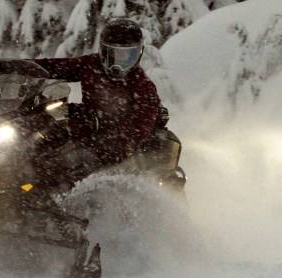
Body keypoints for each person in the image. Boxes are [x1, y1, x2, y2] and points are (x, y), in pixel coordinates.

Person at [33, 17, 181, 189]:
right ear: (103, 51)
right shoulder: (92, 65)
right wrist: (14, 66)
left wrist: (109, 135)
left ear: (138, 53)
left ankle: (69, 204)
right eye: (112, 54)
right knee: (41, 147)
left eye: (126, 56)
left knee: (74, 168)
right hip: (86, 138)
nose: (118, 63)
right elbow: (54, 67)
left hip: (119, 154)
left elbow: (138, 127)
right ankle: (26, 190)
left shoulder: (142, 87)